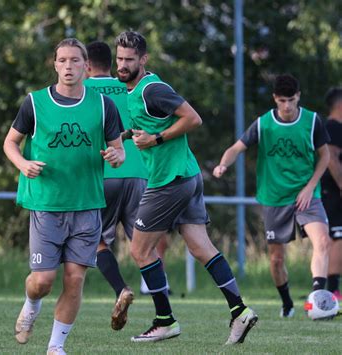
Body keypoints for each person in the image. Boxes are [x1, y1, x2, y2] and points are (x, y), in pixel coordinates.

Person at [115, 30, 257, 344]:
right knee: (200, 247)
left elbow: (193, 118)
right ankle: (240, 310)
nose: (123, 64)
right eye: (120, 58)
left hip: (170, 182)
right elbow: (149, 125)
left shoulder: (153, 89)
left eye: (129, 59)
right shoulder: (136, 90)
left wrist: (156, 140)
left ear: (144, 59)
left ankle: (165, 320)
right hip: (187, 176)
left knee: (140, 250)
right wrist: (125, 140)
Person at [4, 38, 125, 355]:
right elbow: (10, 144)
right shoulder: (35, 103)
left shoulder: (103, 105)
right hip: (46, 203)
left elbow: (119, 150)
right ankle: (31, 303)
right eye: (62, 60)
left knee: (74, 279)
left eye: (75, 61)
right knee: (42, 281)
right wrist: (23, 164)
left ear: (86, 66)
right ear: (54, 64)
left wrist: (115, 157)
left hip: (87, 205)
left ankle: (56, 346)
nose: (68, 66)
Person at [214, 74, 331, 317]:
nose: (287, 106)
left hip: (307, 195)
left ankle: (317, 300)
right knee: (277, 260)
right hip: (274, 198)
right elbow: (236, 148)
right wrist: (224, 164)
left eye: (291, 100)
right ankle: (287, 302)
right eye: (281, 100)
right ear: (274, 99)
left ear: (298, 96)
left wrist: (310, 187)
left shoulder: (312, 121)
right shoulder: (263, 123)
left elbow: (325, 157)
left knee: (322, 242)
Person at [84, 41, 173, 331]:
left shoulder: (83, 92)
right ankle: (164, 310)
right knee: (145, 246)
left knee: (97, 241)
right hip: (140, 174)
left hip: (104, 172)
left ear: (86, 65)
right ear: (113, 63)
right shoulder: (130, 84)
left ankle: (121, 289)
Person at [321, 87, 342, 300]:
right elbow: (332, 158)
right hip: (331, 190)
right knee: (338, 236)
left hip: (331, 190)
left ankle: (329, 289)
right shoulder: (333, 128)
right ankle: (333, 290)